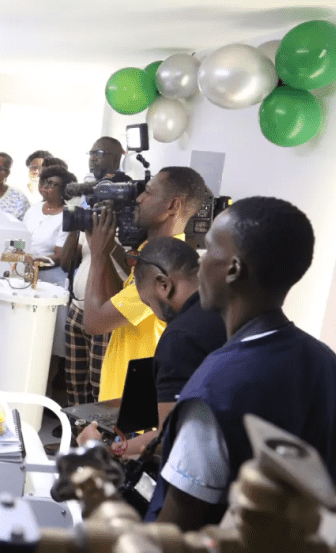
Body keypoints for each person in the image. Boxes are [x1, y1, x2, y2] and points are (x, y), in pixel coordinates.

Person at [148, 197, 336, 530]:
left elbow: (175, 530)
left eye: (209, 249)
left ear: (233, 269)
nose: (198, 265)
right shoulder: (324, 362)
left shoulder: (216, 385)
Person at [77, 237, 226, 457]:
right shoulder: (227, 307)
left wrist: (102, 450)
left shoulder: (179, 338)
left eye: (149, 303)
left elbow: (169, 437)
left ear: (164, 285)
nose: (155, 313)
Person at [83, 167, 209, 402]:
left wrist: (98, 255)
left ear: (173, 206)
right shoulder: (153, 254)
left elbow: (94, 324)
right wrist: (107, 250)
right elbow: (115, 304)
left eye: (149, 193)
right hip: (122, 393)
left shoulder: (167, 266)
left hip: (136, 404)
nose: (139, 198)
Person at [59, 138, 132, 405]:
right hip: (79, 306)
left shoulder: (128, 213)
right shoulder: (90, 203)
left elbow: (129, 266)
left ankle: (101, 443)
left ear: (117, 158)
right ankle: (79, 440)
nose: (93, 158)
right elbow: (68, 262)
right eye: (91, 153)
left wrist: (109, 242)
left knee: (99, 385)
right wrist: (80, 220)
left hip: (106, 308)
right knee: (75, 381)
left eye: (100, 153)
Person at [23, 164, 71, 287]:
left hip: (51, 276)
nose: (44, 186)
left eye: (50, 183)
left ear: (63, 188)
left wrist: (33, 261)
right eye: (42, 182)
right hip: (25, 270)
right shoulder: (33, 209)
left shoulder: (68, 215)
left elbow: (60, 256)